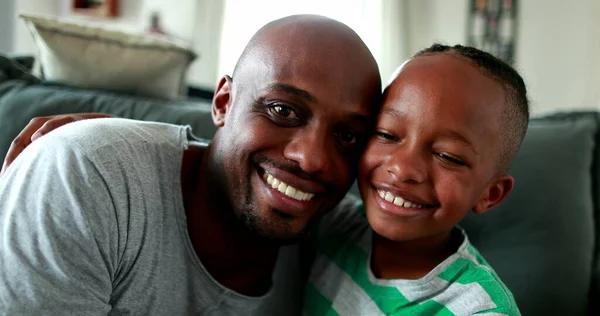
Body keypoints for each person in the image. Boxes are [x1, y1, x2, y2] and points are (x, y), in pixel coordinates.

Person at [0, 15, 382, 315]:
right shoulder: (88, 175)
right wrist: (92, 146)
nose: (313, 159)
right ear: (223, 103)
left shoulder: (339, 238)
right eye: (283, 110)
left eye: (347, 136)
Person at [303, 44, 527, 315]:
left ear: (490, 194)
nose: (402, 168)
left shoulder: (480, 309)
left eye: (448, 156)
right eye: (386, 134)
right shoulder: (328, 222)